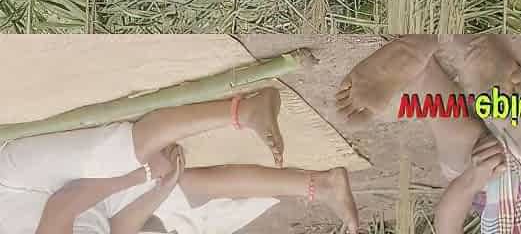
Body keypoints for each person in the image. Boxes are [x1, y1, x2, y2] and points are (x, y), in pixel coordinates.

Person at [335, 35, 521, 234]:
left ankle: (422, 72)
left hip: (486, 181)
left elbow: (446, 225)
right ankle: (515, 103)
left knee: (457, 145)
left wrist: (472, 179)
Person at [0, 87, 359, 234]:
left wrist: (139, 175)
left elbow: (63, 204)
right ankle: (322, 185)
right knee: (183, 189)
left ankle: (245, 109)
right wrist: (161, 185)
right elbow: (117, 228)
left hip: (27, 184)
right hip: (85, 203)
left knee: (121, 154)